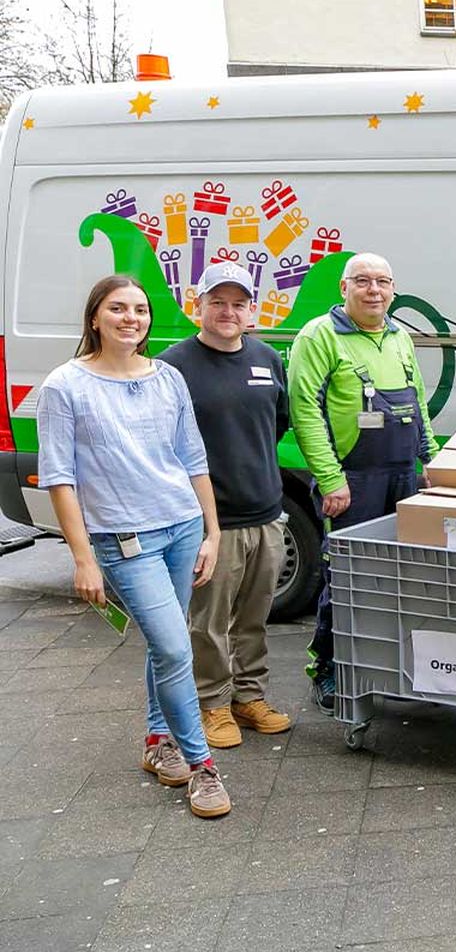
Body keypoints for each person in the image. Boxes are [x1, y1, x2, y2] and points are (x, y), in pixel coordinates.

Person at [36, 274, 232, 817]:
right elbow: (59, 477)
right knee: (174, 648)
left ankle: (157, 741)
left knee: (163, 645)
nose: (131, 318)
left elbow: (193, 459)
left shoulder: (167, 376)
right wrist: (82, 559)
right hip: (124, 540)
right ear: (95, 317)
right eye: (118, 309)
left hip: (183, 527)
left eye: (140, 310)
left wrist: (212, 532)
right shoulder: (65, 385)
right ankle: (202, 767)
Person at [289, 253, 438, 713]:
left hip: (402, 476)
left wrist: (429, 459)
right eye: (363, 281)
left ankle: (388, 668)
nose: (374, 290)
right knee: (348, 579)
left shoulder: (398, 336)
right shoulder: (319, 336)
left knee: (403, 577)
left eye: (383, 282)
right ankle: (329, 669)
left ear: (393, 290)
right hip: (353, 480)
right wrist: (331, 479)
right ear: (344, 288)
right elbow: (305, 410)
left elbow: (418, 402)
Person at [160, 263, 292, 748]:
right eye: (218, 302)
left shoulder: (266, 358)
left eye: (238, 303)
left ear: (251, 310)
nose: (228, 312)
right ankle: (212, 703)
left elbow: (278, 423)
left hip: (266, 515)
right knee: (209, 623)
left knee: (255, 617)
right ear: (198, 306)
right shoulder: (172, 366)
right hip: (211, 524)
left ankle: (249, 697)